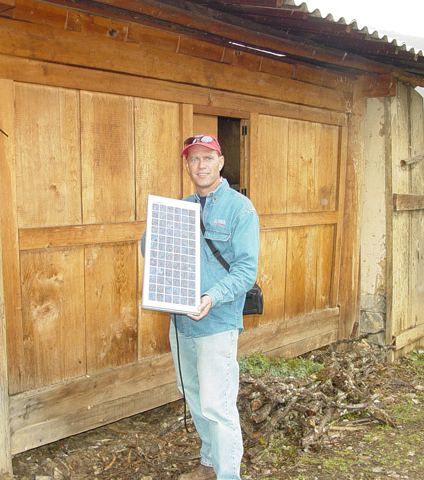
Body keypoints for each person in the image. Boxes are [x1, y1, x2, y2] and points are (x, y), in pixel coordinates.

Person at [162, 134, 259, 480]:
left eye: (207, 158)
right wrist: (157, 229)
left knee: (218, 405)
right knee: (192, 394)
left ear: (220, 162)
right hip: (181, 323)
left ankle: (228, 474)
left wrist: (212, 297)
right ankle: (209, 463)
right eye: (193, 159)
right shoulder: (181, 206)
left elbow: (246, 270)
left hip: (216, 321)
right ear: (186, 165)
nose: (200, 165)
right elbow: (153, 253)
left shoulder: (239, 208)